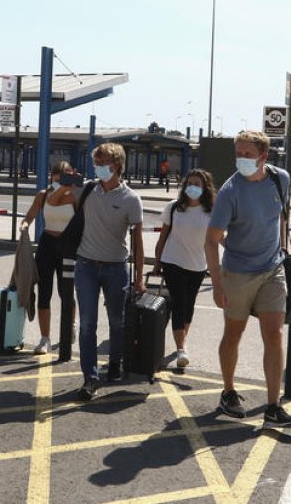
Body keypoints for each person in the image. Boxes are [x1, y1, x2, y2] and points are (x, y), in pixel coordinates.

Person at [204, 131, 291, 428]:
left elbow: (281, 216)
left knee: (274, 335)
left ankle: (273, 405)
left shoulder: (279, 179)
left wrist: (281, 248)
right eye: (239, 153)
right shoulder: (230, 192)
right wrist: (218, 284)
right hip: (238, 273)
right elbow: (211, 240)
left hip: (272, 270)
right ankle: (229, 391)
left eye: (247, 154)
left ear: (263, 156)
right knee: (234, 334)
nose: (242, 159)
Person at [74, 143, 144, 401]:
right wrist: (62, 183)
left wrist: (138, 278)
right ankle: (90, 377)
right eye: (96, 162)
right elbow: (55, 199)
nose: (97, 167)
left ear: (116, 166)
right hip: (86, 266)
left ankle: (115, 362)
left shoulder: (130, 199)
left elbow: (137, 241)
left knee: (117, 320)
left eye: (102, 163)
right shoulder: (88, 189)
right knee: (87, 324)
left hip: (116, 267)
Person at [153, 168, 214, 371]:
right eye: (190, 183)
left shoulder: (211, 212)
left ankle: (182, 342)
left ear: (205, 188)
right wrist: (157, 261)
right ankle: (181, 348)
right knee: (179, 303)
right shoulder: (174, 208)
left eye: (198, 184)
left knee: (189, 305)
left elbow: (217, 240)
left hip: (197, 265)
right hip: (173, 261)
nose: (193, 187)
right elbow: (163, 236)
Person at [20, 161, 79, 355]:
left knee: (66, 291)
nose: (59, 181)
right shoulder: (43, 195)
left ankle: (70, 327)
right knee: (44, 292)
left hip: (68, 245)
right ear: (52, 177)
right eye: (57, 177)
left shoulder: (74, 196)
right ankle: (45, 338)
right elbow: (29, 216)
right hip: (47, 244)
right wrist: (25, 225)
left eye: (64, 177)